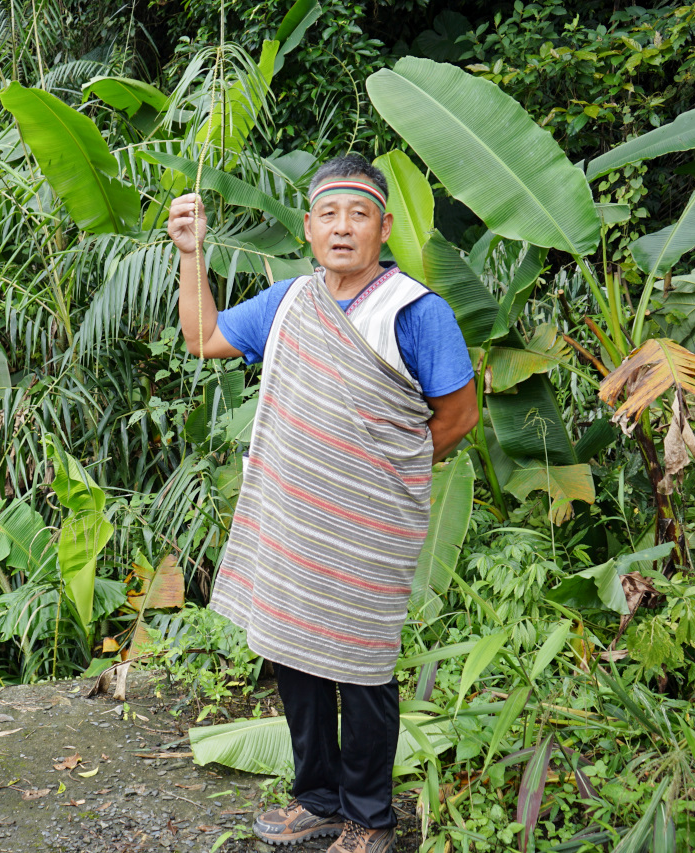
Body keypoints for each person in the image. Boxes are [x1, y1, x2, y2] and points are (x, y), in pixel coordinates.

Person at [166, 153, 478, 853]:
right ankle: (316, 798)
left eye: (358, 214)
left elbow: (457, 417)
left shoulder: (415, 313)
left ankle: (368, 818)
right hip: (295, 523)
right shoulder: (290, 302)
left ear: (383, 227)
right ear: (307, 228)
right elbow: (202, 338)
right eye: (329, 215)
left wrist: (375, 474)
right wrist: (192, 254)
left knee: (362, 667)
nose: (343, 228)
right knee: (295, 656)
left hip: (370, 529)